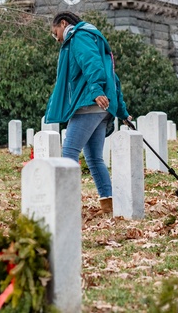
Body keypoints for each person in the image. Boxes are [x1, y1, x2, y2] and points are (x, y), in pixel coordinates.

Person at [46, 11, 131, 216]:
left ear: (63, 24)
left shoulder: (79, 37)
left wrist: (95, 90)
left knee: (69, 153)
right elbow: (114, 78)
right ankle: (108, 205)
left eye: (54, 31)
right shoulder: (92, 36)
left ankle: (67, 204)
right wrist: (122, 112)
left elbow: (91, 64)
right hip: (101, 108)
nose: (55, 37)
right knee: (93, 158)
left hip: (89, 104)